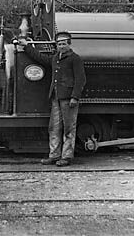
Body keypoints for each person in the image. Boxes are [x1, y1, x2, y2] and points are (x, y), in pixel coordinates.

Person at [18, 31, 86, 166]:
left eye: (64, 44)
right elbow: (40, 58)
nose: (61, 46)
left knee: (68, 128)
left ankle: (66, 157)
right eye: (59, 44)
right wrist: (26, 46)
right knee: (54, 127)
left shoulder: (75, 59)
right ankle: (54, 155)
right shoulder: (55, 58)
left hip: (68, 99)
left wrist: (75, 97)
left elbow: (81, 79)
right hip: (56, 97)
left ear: (69, 44)